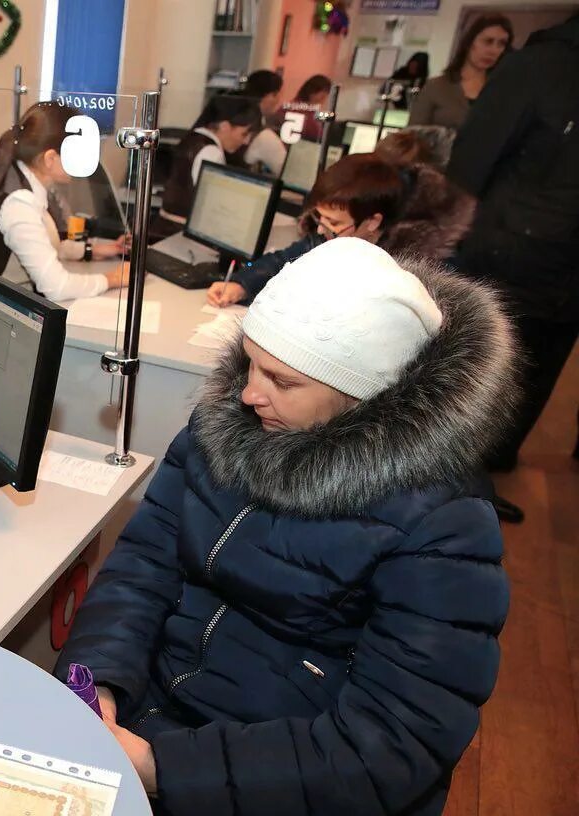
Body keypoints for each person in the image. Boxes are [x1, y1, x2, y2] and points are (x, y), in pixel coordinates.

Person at [56, 237, 515, 816]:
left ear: (363, 393)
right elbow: (144, 564)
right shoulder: (226, 426)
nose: (248, 393)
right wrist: (100, 683)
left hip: (288, 795)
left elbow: (390, 744)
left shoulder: (445, 523)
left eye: (282, 380)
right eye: (249, 362)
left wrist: (163, 771)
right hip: (155, 724)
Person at [447, 13, 579, 482]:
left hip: (559, 271)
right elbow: (469, 164)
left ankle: (487, 477)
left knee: (533, 381)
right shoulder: (538, 66)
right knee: (486, 380)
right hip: (511, 260)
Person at [207, 152, 474, 307]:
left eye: (334, 223)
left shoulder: (412, 272)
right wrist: (241, 285)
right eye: (320, 217)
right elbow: (281, 261)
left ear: (373, 222)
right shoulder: (328, 237)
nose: (323, 230)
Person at [0, 101, 130, 302]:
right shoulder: (19, 203)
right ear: (50, 158)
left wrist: (95, 250)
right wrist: (113, 278)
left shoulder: (24, 180)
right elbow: (56, 287)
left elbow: (45, 243)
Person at [152, 95, 261, 238]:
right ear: (225, 126)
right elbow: (213, 207)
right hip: (180, 233)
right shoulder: (211, 153)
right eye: (244, 133)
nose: (246, 141)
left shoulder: (191, 139)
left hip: (164, 227)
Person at [409, 15, 513, 129]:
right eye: (488, 41)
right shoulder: (437, 86)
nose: (494, 50)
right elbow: (412, 134)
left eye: (501, 44)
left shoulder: (502, 90)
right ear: (469, 43)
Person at [238, 70, 287, 176]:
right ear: (271, 95)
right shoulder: (264, 137)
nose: (278, 100)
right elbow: (289, 175)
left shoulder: (233, 119)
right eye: (277, 94)